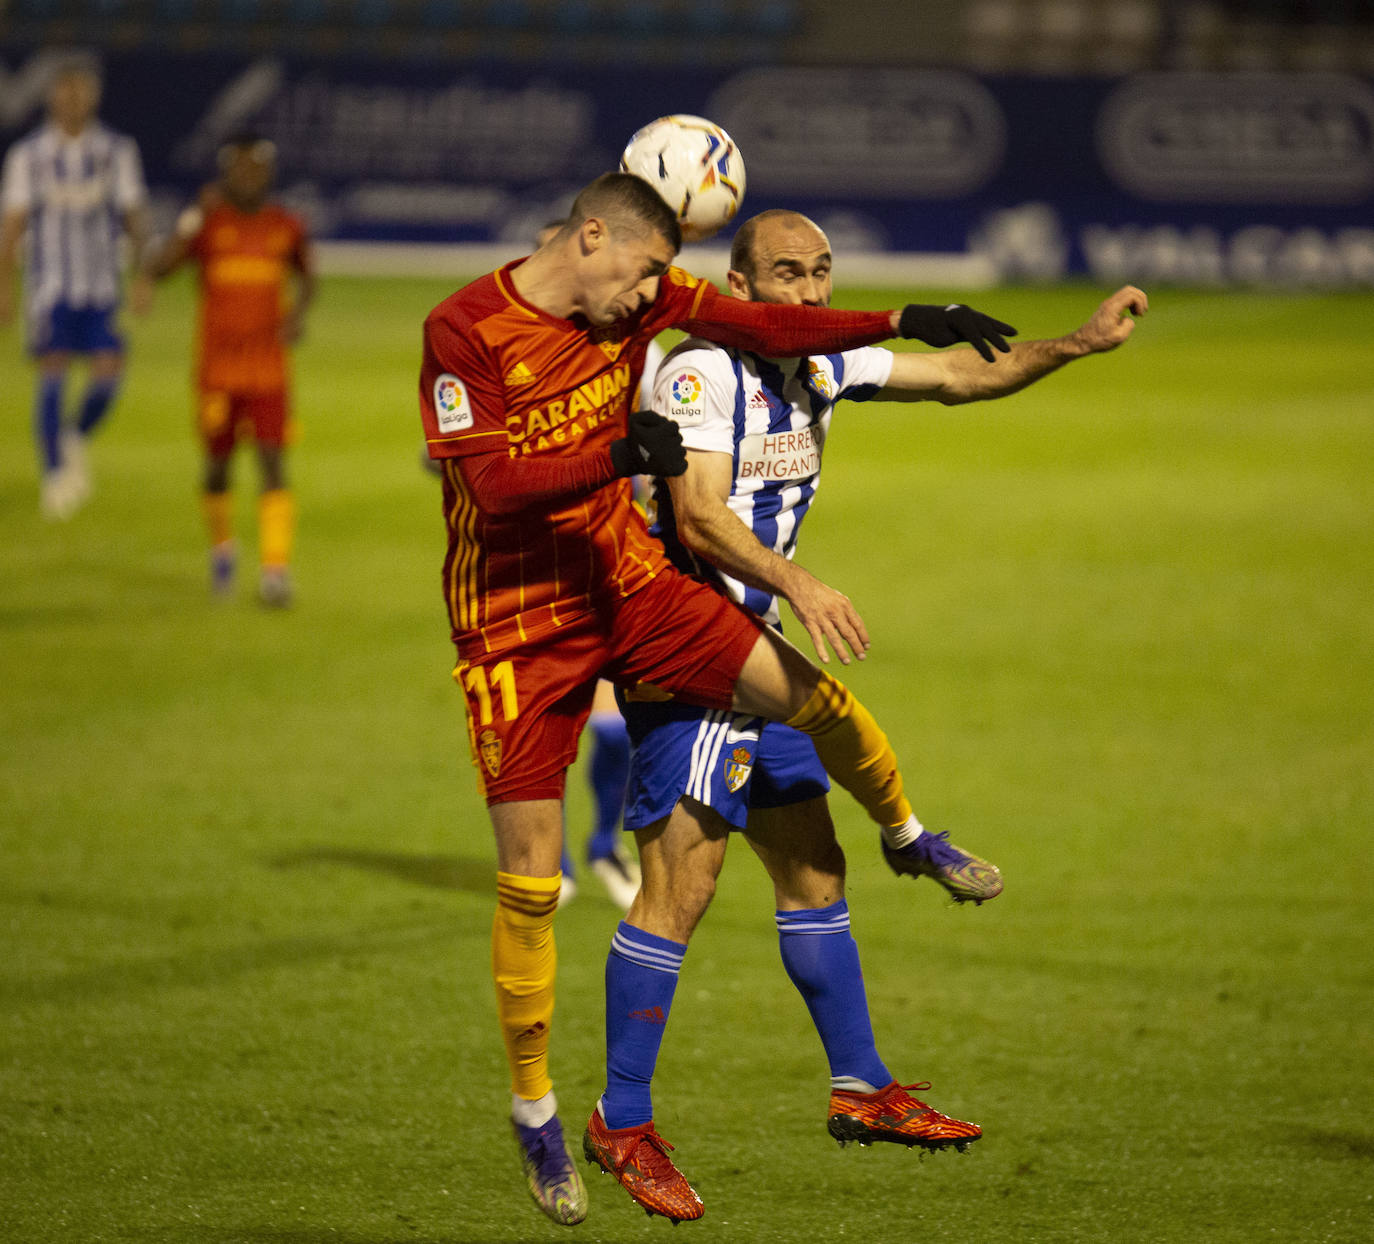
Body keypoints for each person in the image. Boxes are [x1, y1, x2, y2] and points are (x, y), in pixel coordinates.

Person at [417, 172, 1018, 1228]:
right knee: (544, 883)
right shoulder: (464, 326)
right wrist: (618, 452)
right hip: (518, 626)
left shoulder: (641, 297)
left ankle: (908, 848)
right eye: (651, 269)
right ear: (592, 237)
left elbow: (749, 312)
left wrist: (904, 317)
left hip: (629, 588)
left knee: (813, 703)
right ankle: (544, 1110)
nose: (657, 295)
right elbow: (489, 488)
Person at [583, 209, 1149, 1221]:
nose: (807, 291)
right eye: (785, 274)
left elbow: (966, 376)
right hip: (697, 648)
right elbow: (698, 516)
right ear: (740, 284)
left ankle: (862, 1087)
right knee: (683, 882)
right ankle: (621, 1117)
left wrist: (1081, 342)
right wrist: (799, 583)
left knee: (812, 865)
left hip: (761, 645)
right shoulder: (701, 370)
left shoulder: (826, 365)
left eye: (822, 272)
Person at [140, 135, 315, 606]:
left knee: (273, 462)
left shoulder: (285, 226)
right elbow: (157, 270)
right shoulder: (208, 225)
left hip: (268, 370)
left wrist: (297, 316)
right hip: (217, 372)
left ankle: (275, 572)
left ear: (268, 173)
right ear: (225, 173)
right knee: (217, 469)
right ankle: (222, 554)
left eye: (256, 168)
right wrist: (190, 220)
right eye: (239, 168)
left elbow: (309, 278)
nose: (248, 177)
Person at [0, 56, 150, 520]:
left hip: (100, 284)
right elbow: (13, 224)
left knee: (109, 370)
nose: (72, 99)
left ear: (94, 96)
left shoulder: (114, 151)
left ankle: (72, 437)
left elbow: (134, 215)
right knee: (53, 369)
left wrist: (143, 275)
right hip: (50, 285)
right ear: (52, 97)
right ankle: (53, 474)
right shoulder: (28, 155)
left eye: (81, 91)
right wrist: (5, 285)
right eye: (65, 91)